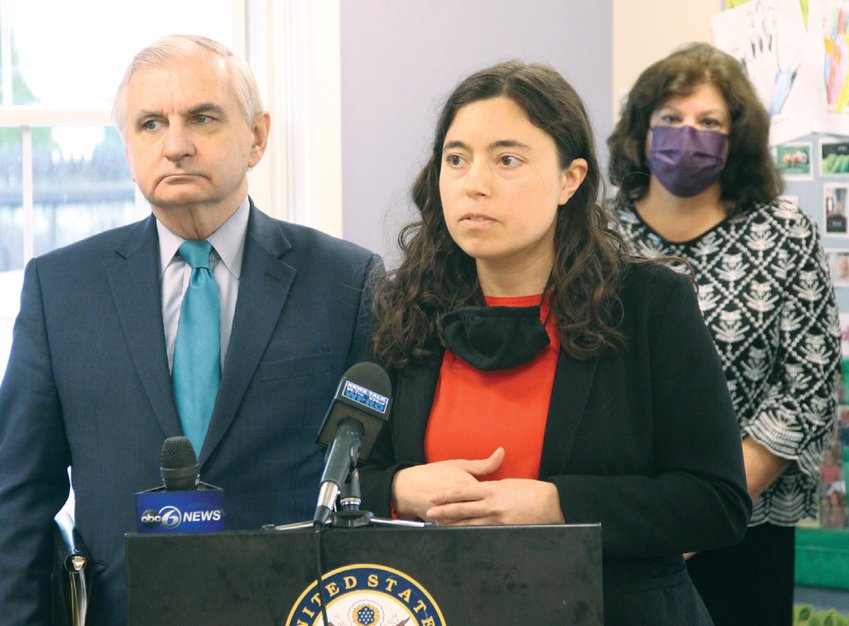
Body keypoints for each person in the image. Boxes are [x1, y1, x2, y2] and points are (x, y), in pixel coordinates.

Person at [0, 35, 382, 625]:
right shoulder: (60, 288)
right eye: (151, 124)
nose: (175, 145)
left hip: (292, 608)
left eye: (202, 118)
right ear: (128, 146)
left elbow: (376, 481)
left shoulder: (345, 281)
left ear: (257, 136)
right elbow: (18, 500)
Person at [359, 60, 751, 625]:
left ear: (570, 179)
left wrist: (557, 505)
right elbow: (346, 479)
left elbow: (716, 503)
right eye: (456, 158)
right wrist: (399, 488)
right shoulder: (406, 306)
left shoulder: (648, 304)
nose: (475, 181)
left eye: (507, 159)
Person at [608, 42, 841, 626]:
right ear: (640, 131)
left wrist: (701, 510)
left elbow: (807, 391)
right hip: (618, 523)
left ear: (736, 141)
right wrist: (652, 517)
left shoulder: (784, 232)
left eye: (709, 123)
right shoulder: (596, 235)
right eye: (671, 119)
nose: (689, 135)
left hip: (745, 524)